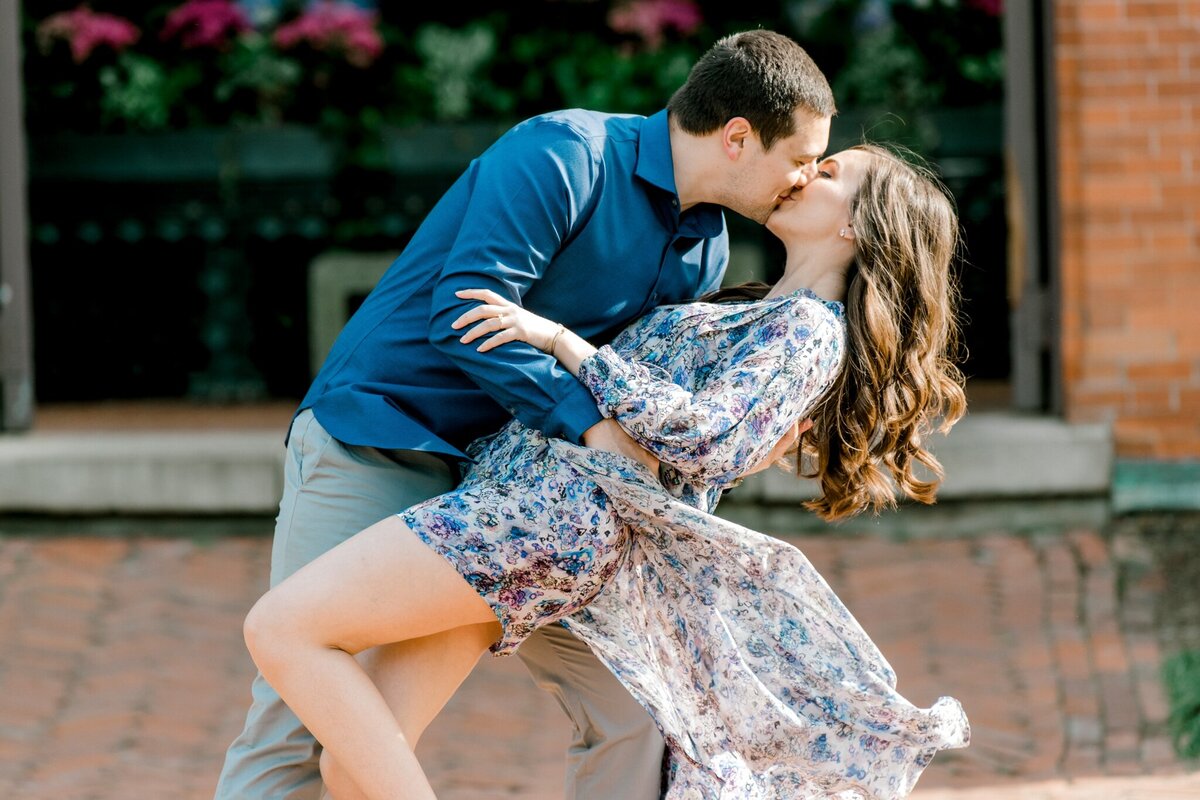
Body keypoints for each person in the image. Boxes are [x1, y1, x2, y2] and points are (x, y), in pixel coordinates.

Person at [216, 29, 838, 800]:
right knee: (303, 722)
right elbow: (464, 311)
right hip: (387, 438)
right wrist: (589, 423)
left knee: (638, 716)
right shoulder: (564, 153)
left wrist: (744, 442)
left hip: (525, 501)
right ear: (739, 137)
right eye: (802, 157)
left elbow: (640, 401)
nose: (805, 178)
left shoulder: (704, 249)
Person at [243, 144, 971, 800]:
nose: (809, 171)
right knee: (352, 764)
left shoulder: (810, 328)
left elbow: (702, 436)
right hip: (524, 505)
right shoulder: (758, 308)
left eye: (832, 172)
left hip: (543, 517)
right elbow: (711, 438)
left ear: (857, 228)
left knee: (283, 629)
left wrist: (563, 342)